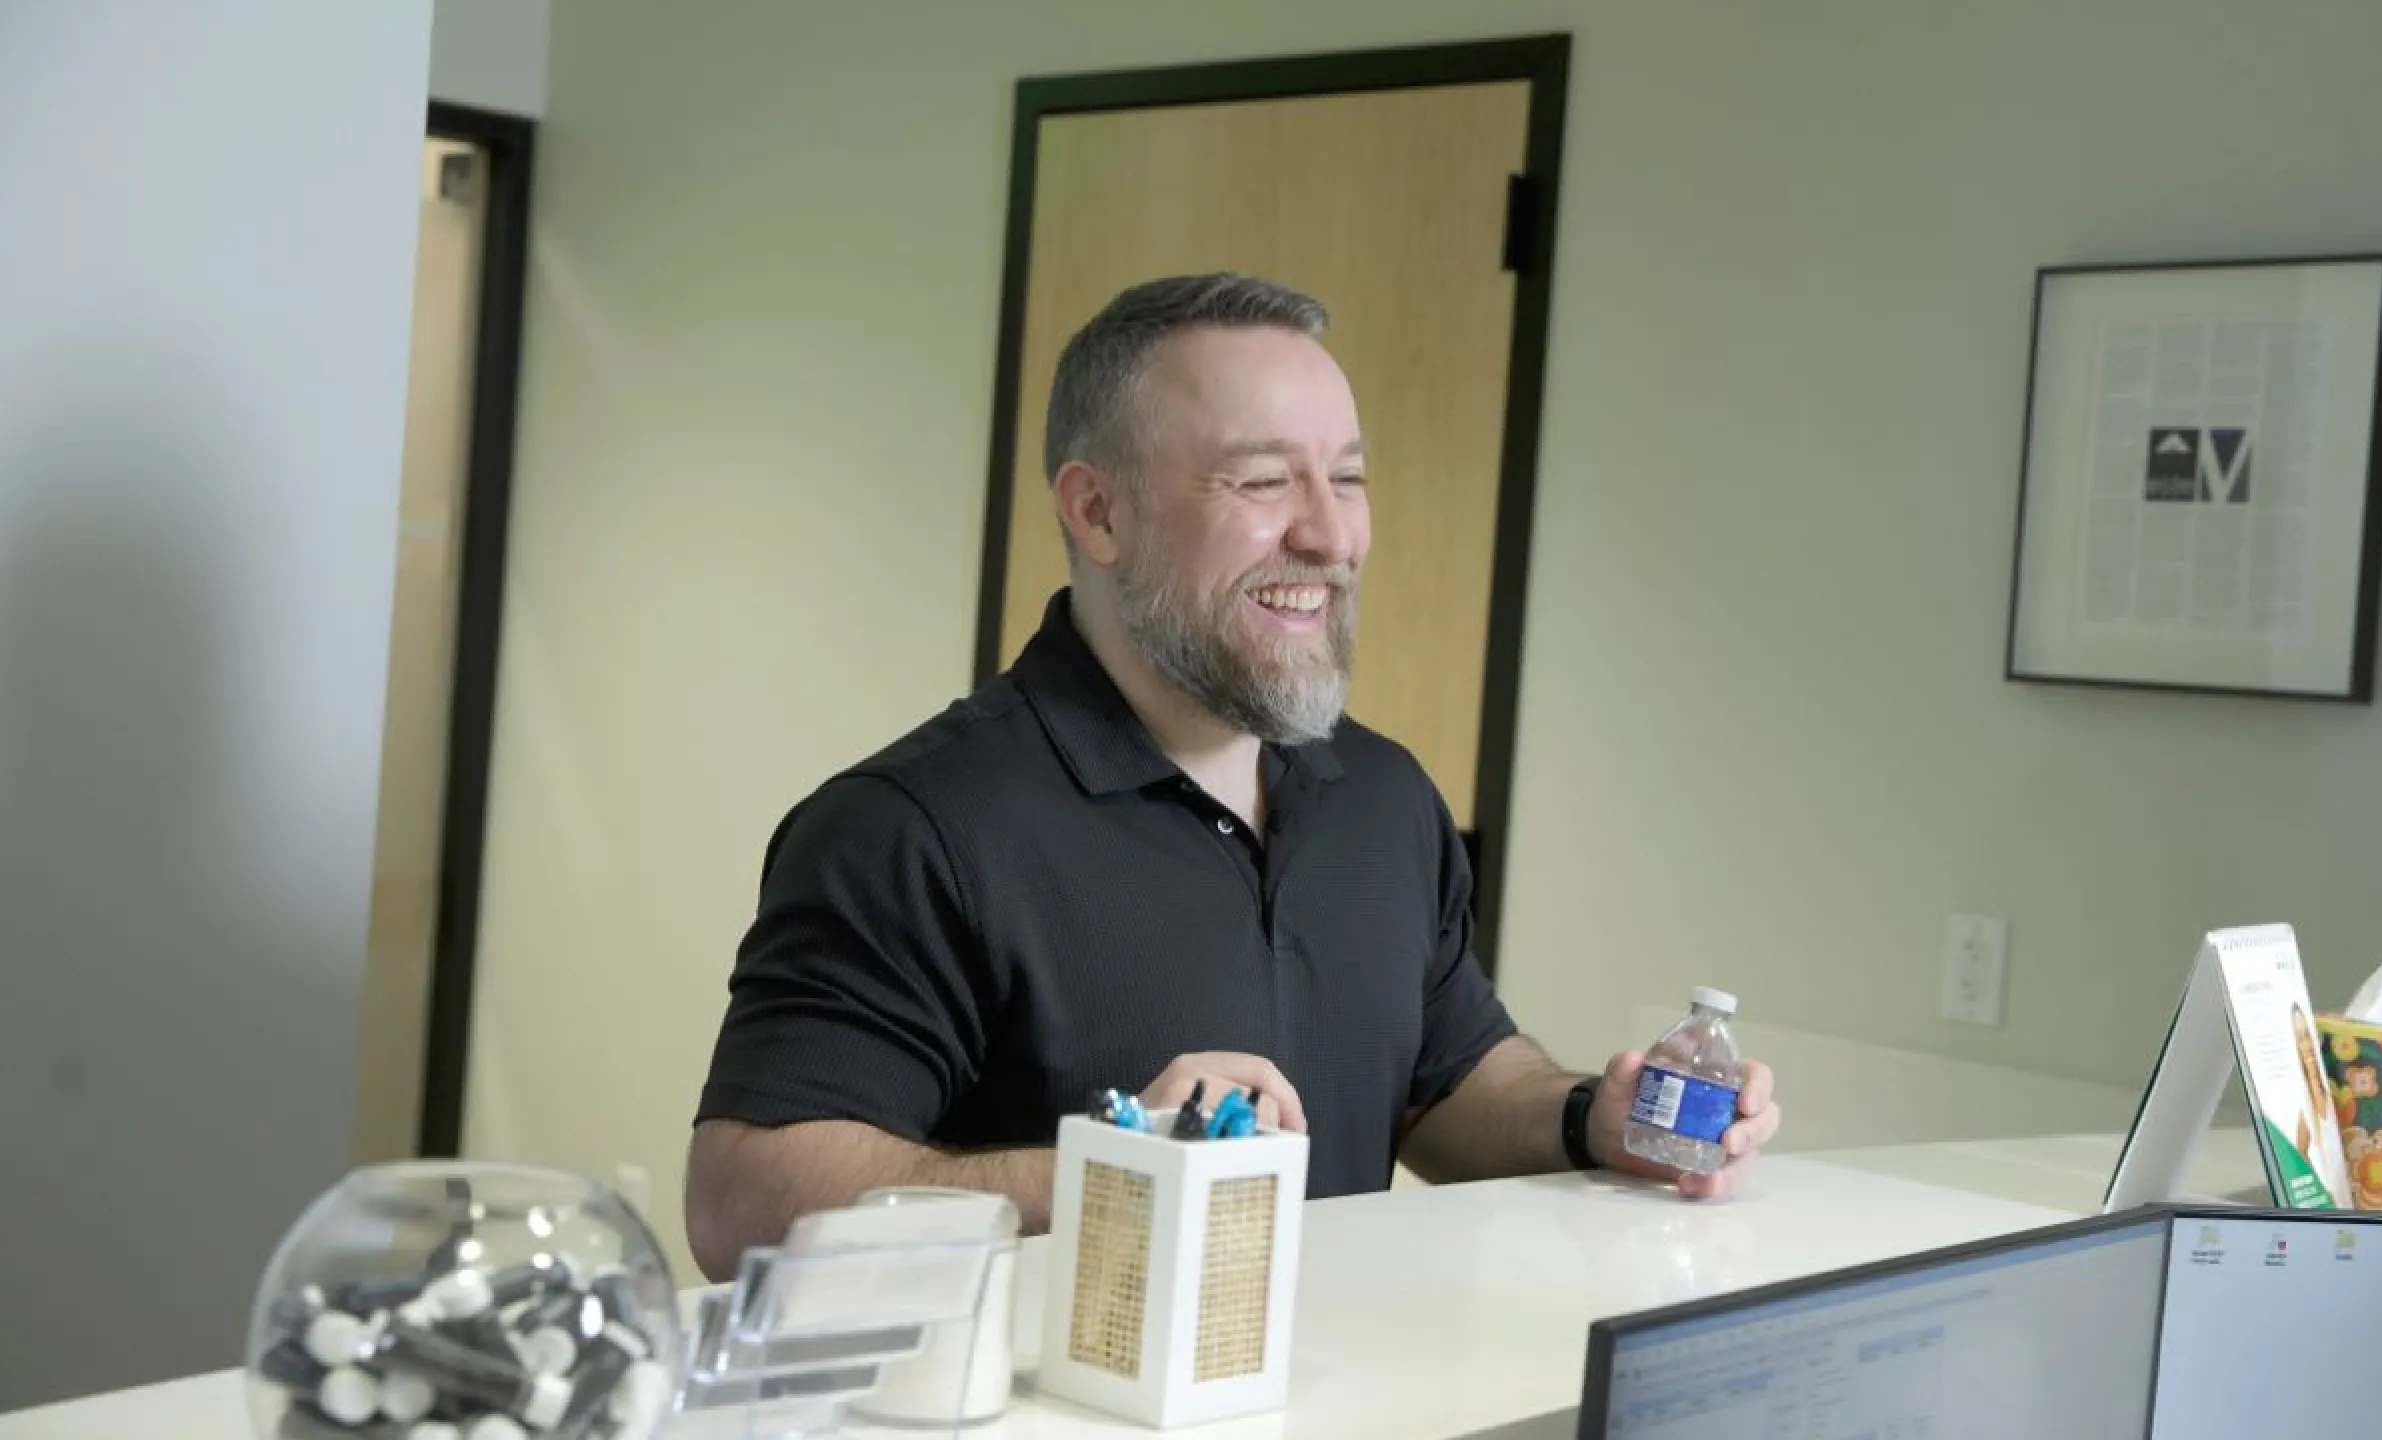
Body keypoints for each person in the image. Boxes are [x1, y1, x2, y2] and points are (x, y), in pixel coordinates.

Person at [682, 273, 1782, 1280]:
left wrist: (1596, 1115)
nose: (1327, 534)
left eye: (1346, 478)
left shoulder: (1386, 801)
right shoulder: (912, 830)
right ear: (1097, 511)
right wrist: (1119, 1175)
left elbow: (1446, 1084)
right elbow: (743, 1204)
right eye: (1262, 480)